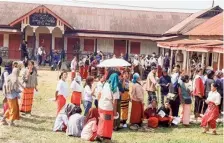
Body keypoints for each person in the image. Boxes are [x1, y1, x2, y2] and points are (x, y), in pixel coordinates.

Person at [97, 73, 120, 142]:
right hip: (108, 107)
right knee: (108, 123)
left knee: (102, 121)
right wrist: (115, 113)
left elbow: (100, 94)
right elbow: (114, 102)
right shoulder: (115, 88)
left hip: (101, 105)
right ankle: (106, 137)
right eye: (118, 78)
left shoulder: (106, 84)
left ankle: (99, 135)